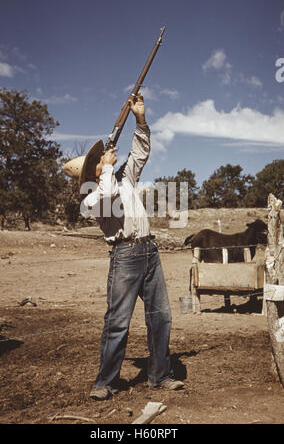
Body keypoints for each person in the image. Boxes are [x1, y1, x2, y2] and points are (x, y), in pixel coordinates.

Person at [69, 93, 184, 400]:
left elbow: (141, 153)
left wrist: (140, 119)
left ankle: (160, 376)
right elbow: (107, 196)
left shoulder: (124, 178)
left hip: (149, 252)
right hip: (125, 256)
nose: (101, 161)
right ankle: (104, 383)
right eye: (95, 163)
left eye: (100, 159)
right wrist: (106, 167)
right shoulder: (91, 198)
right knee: (117, 322)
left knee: (161, 317)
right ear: (89, 175)